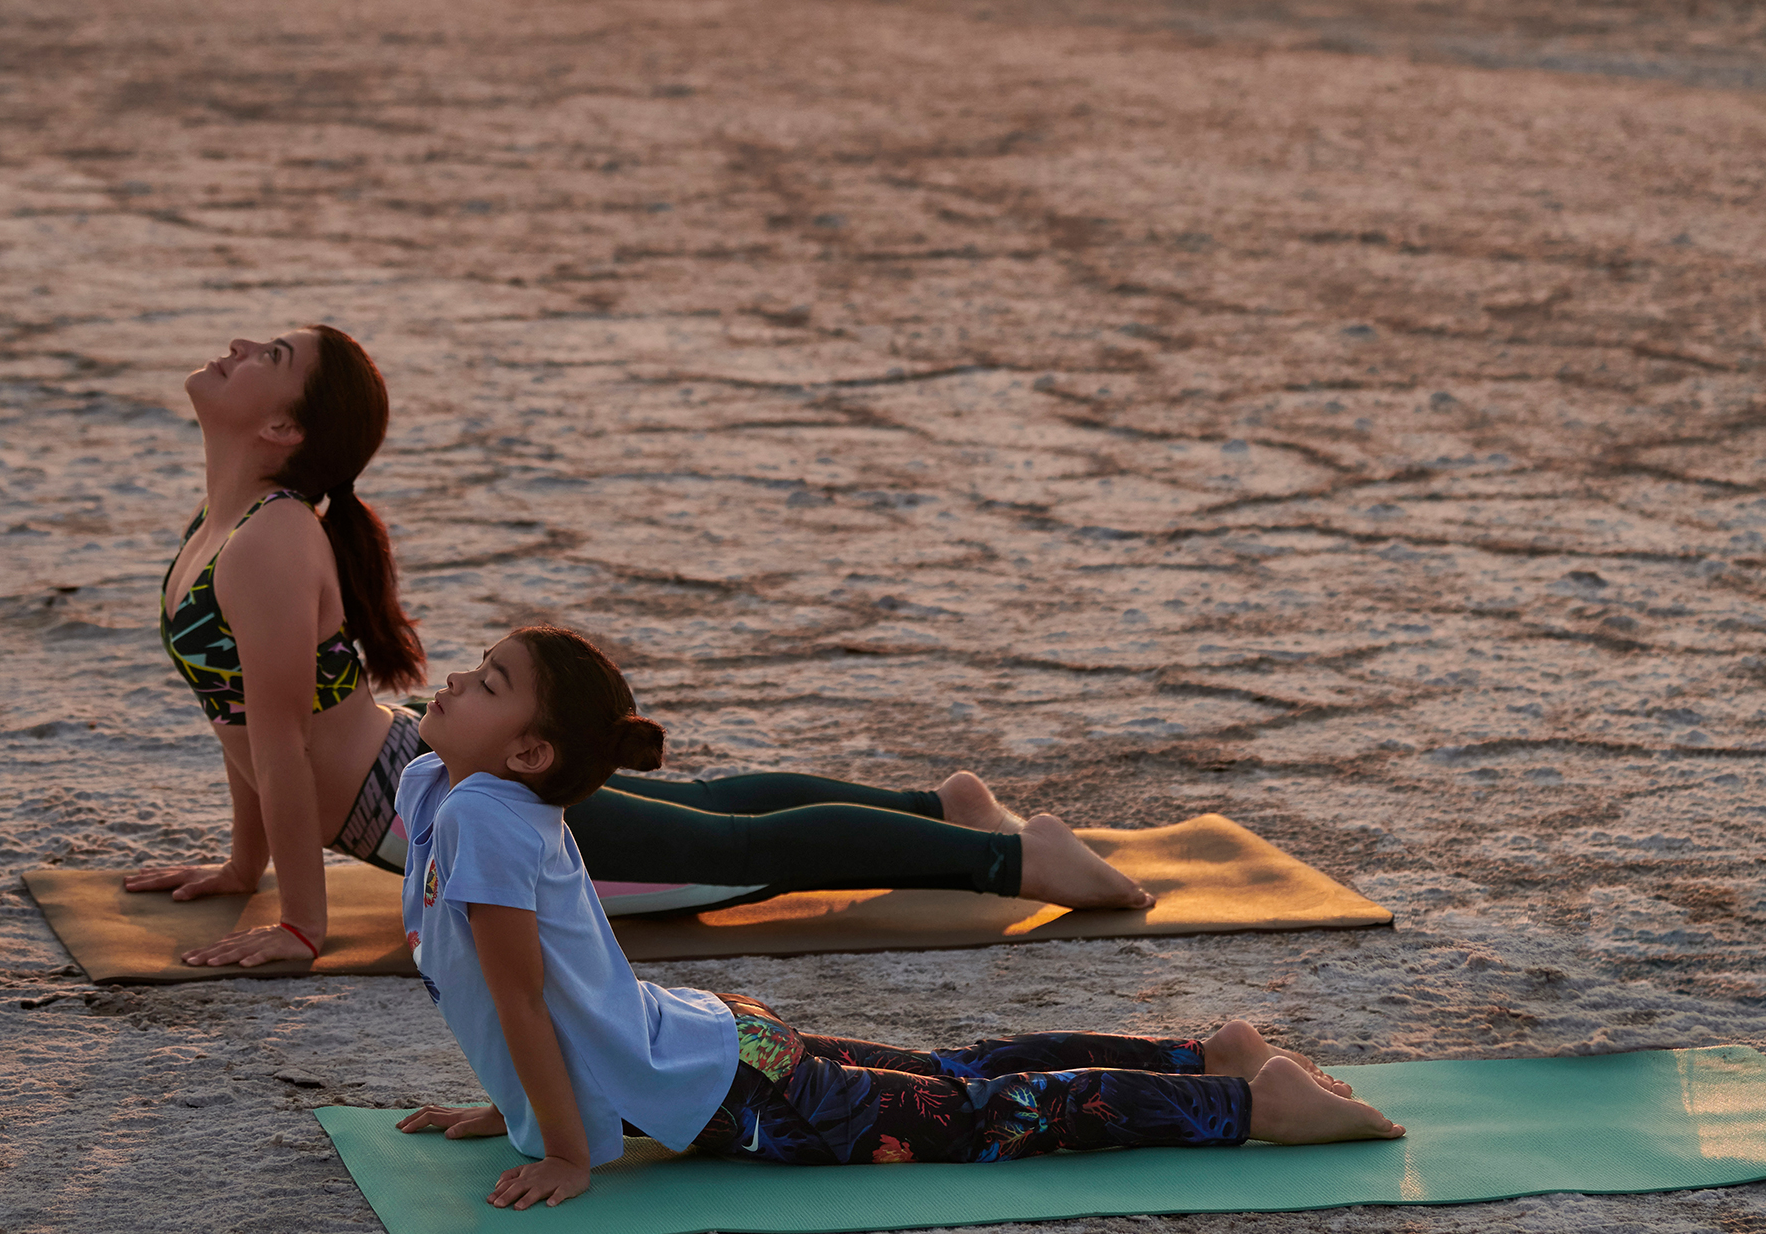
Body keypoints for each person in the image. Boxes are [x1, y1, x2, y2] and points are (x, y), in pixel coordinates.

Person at [127, 329, 1149, 968]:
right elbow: (255, 732)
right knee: (701, 808)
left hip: (432, 804)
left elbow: (276, 744)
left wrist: (298, 924)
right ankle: (944, 809)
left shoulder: (265, 539)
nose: (237, 345)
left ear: (283, 427)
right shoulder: (231, 526)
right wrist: (239, 866)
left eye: (269, 355)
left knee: (730, 858)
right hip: (418, 772)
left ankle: (1011, 857)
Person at [393, 625, 1404, 1212]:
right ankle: (1205, 1054)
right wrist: (521, 1112)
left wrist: (564, 1151)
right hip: (707, 1041)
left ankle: (1249, 1104)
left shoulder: (481, 812)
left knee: (979, 1117)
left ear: (528, 754)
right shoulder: (446, 783)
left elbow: (522, 994)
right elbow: (529, 992)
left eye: (488, 682)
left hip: (728, 1088)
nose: (454, 681)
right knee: (952, 1073)